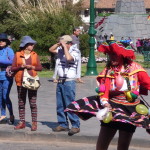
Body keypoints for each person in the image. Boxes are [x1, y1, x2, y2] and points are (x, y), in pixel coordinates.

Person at [65, 41, 150, 150]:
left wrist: (137, 89)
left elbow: (148, 83)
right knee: (102, 144)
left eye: (114, 54)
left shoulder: (135, 68)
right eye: (110, 55)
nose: (111, 57)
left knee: (123, 145)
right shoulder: (108, 71)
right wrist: (105, 103)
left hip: (131, 109)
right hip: (112, 107)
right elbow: (104, 91)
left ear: (122, 55)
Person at [49, 35, 80, 136]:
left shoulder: (75, 52)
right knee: (60, 104)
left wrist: (65, 48)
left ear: (69, 44)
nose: (61, 47)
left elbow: (69, 58)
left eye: (64, 44)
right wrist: (59, 44)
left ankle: (75, 125)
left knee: (69, 104)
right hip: (61, 81)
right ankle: (63, 124)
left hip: (69, 82)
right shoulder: (60, 50)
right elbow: (50, 49)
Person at [11, 36, 42, 131]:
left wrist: (32, 67)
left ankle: (34, 123)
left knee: (33, 103)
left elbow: (40, 68)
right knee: (21, 103)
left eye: (33, 44)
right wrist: (21, 66)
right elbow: (13, 68)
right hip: (20, 81)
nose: (33, 46)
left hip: (32, 81)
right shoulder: (17, 54)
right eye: (31, 44)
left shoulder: (34, 55)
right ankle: (22, 122)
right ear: (25, 45)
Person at [0, 33, 15, 124]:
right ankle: (3, 114)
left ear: (6, 41)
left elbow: (12, 61)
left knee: (5, 96)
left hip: (6, 75)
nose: (1, 42)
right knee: (0, 96)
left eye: (2, 40)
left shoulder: (9, 50)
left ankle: (11, 114)